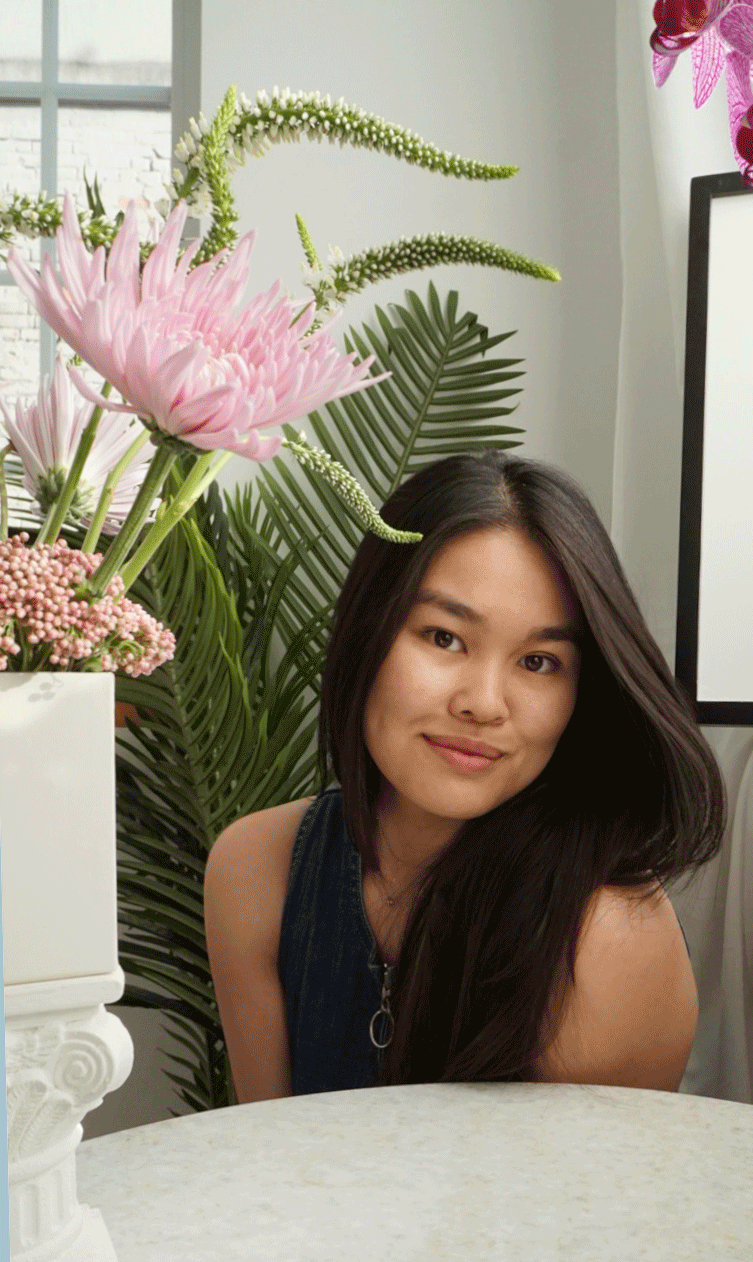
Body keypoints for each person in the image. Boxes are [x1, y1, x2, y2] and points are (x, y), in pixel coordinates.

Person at [204, 449, 726, 1100]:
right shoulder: (256, 870)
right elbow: (272, 1164)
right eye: (444, 637)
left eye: (537, 661)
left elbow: (599, 1200)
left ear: (579, 695)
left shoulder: (604, 934)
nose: (482, 701)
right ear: (369, 629)